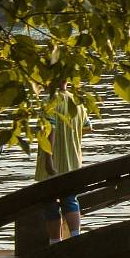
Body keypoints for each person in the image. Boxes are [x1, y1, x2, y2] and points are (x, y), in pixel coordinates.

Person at [35, 78, 89, 243]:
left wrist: (48, 160)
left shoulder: (49, 100)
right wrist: (70, 137)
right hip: (73, 161)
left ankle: (55, 242)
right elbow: (88, 127)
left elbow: (50, 131)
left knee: (50, 202)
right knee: (70, 199)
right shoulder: (76, 101)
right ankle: (75, 238)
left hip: (54, 162)